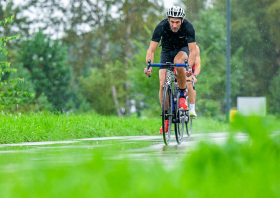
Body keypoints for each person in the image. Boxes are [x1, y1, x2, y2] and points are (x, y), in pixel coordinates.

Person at [144, 6, 196, 134]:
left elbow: (193, 51)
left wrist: (188, 67)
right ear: (168, 19)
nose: (174, 25)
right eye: (172, 22)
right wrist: (148, 66)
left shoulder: (188, 27)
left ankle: (183, 96)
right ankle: (166, 117)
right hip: (166, 51)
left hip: (182, 50)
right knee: (162, 84)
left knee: (179, 63)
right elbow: (151, 50)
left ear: (182, 21)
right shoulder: (161, 26)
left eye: (177, 22)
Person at [186, 45, 200, 118]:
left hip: (190, 70)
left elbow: (197, 65)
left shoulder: (195, 48)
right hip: (178, 68)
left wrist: (195, 76)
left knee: (189, 83)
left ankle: (192, 108)